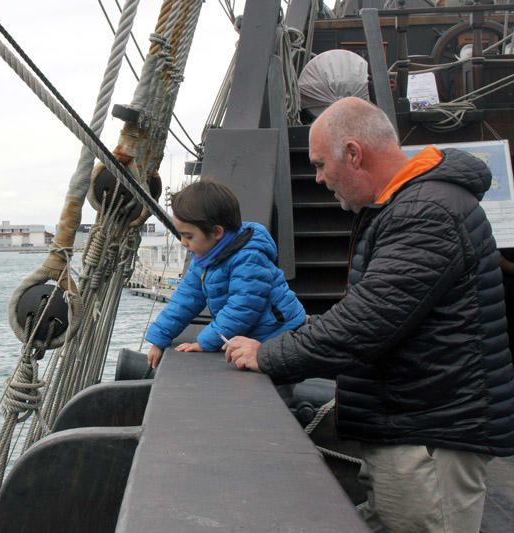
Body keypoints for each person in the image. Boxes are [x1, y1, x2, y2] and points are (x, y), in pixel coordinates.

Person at [224, 96, 514, 532]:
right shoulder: (419, 204)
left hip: (427, 437)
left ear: (354, 154)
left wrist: (267, 355)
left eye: (321, 164)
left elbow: (364, 324)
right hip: (417, 424)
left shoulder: (425, 212)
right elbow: (375, 313)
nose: (319, 178)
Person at [145, 180, 305, 368]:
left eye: (188, 236)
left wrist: (205, 342)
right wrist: (159, 339)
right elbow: (185, 299)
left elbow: (242, 309)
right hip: (253, 336)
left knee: (279, 389)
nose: (183, 242)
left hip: (279, 334)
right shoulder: (205, 257)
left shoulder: (249, 257)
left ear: (216, 232)